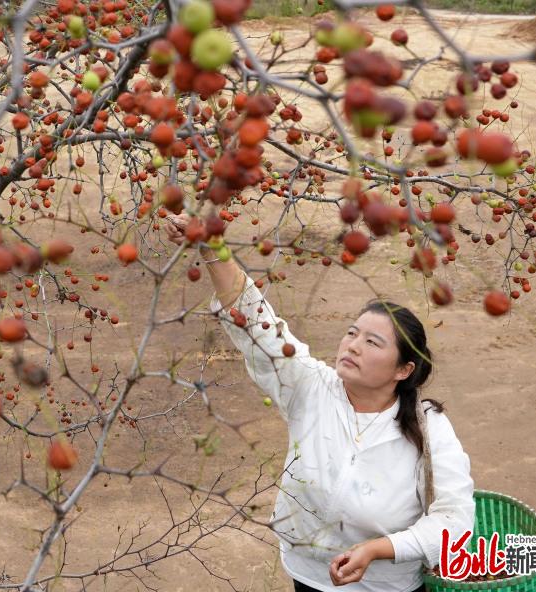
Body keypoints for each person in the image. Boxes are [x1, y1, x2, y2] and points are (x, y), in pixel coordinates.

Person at [164, 213, 476, 592]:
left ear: (402, 369)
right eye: (352, 333)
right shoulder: (311, 388)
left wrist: (378, 550)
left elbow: (454, 522)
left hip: (388, 586)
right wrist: (211, 248)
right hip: (308, 575)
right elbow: (258, 326)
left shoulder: (429, 427)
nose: (352, 346)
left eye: (373, 343)